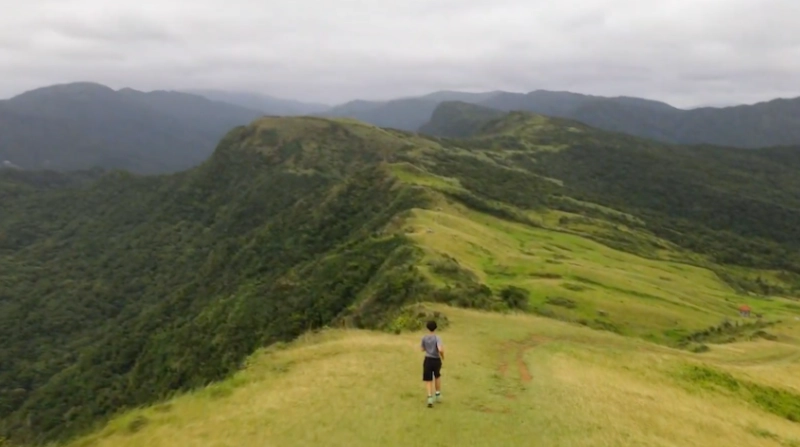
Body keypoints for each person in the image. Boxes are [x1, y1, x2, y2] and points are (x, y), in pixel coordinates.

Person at [420, 320, 444, 407]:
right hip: (436, 359)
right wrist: (442, 355)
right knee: (437, 376)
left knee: (428, 379)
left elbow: (422, 349)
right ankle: (437, 394)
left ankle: (430, 398)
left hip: (428, 359)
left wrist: (428, 348)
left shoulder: (424, 338)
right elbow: (440, 349)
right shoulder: (437, 338)